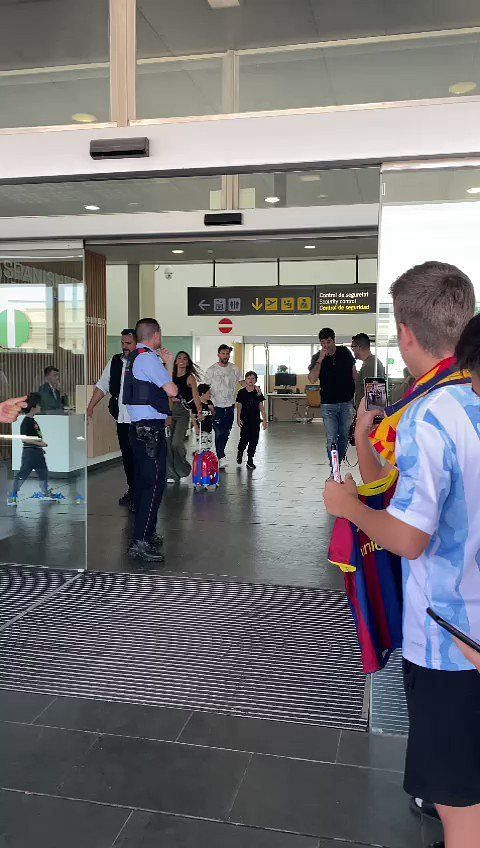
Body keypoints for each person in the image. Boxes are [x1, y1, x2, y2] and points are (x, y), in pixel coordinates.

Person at [324, 261, 480, 848]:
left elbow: (409, 535)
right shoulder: (460, 398)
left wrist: (347, 507)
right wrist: (367, 443)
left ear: (404, 333)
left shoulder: (429, 413)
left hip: (451, 639)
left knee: (459, 804)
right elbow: (394, 487)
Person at [123, 318, 177, 565]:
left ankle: (147, 533)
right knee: (153, 487)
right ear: (155, 334)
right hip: (149, 433)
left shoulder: (138, 357)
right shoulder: (147, 358)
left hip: (143, 430)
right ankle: (140, 541)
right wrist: (169, 363)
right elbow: (172, 390)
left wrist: (165, 363)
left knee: (151, 485)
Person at [86, 329, 137, 506]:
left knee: (139, 456)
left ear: (137, 343)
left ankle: (142, 492)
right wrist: (91, 405)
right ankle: (132, 490)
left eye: (128, 343)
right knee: (127, 455)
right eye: (122, 343)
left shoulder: (144, 361)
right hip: (121, 417)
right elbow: (103, 385)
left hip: (140, 419)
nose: (125, 346)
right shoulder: (115, 361)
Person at [308, 327, 356, 472]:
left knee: (344, 437)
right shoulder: (317, 357)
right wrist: (320, 359)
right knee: (331, 438)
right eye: (323, 342)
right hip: (328, 405)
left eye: (328, 341)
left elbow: (354, 374)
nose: (326, 345)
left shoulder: (344, 352)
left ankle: (338, 462)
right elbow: (311, 379)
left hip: (346, 403)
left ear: (333, 340)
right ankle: (334, 468)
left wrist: (357, 397)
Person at [8, 392, 59, 505]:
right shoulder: (26, 422)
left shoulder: (33, 421)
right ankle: (12, 495)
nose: (40, 407)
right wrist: (39, 444)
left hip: (37, 452)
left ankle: (45, 492)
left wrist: (40, 448)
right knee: (23, 474)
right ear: (33, 407)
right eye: (39, 405)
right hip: (29, 453)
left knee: (43, 472)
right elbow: (24, 439)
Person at [205, 344, 245, 469]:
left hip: (230, 406)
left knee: (226, 432)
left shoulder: (235, 369)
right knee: (219, 432)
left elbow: (242, 382)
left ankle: (220, 454)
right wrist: (208, 404)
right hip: (217, 406)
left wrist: (253, 387)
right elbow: (205, 388)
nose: (225, 356)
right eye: (223, 353)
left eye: (227, 354)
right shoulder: (211, 370)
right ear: (218, 355)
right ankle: (221, 456)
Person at [166, 351, 202, 484]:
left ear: (187, 362)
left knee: (176, 443)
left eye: (185, 358)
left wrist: (199, 412)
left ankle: (184, 468)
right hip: (168, 411)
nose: (182, 360)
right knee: (168, 443)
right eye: (179, 358)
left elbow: (196, 397)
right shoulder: (170, 375)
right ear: (175, 361)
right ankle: (171, 474)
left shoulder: (190, 377)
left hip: (182, 412)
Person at [236, 370, 267, 470]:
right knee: (244, 438)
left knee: (254, 440)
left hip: (255, 420)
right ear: (245, 380)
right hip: (245, 419)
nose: (251, 380)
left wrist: (265, 420)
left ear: (256, 380)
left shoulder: (257, 392)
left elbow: (261, 407)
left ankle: (250, 459)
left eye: (253, 378)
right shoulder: (241, 392)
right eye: (249, 378)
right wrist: (238, 418)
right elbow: (239, 406)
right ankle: (240, 452)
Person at [351, 332, 385, 408]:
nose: (352, 350)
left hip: (367, 414)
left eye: (353, 347)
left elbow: (373, 400)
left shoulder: (370, 365)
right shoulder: (370, 363)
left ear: (359, 347)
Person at [195, 383, 215, 451]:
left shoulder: (210, 402)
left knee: (209, 446)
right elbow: (194, 417)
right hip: (201, 430)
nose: (210, 394)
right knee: (202, 447)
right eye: (208, 393)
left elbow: (213, 414)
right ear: (202, 394)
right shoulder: (198, 404)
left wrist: (212, 409)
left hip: (209, 429)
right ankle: (200, 459)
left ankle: (205, 460)